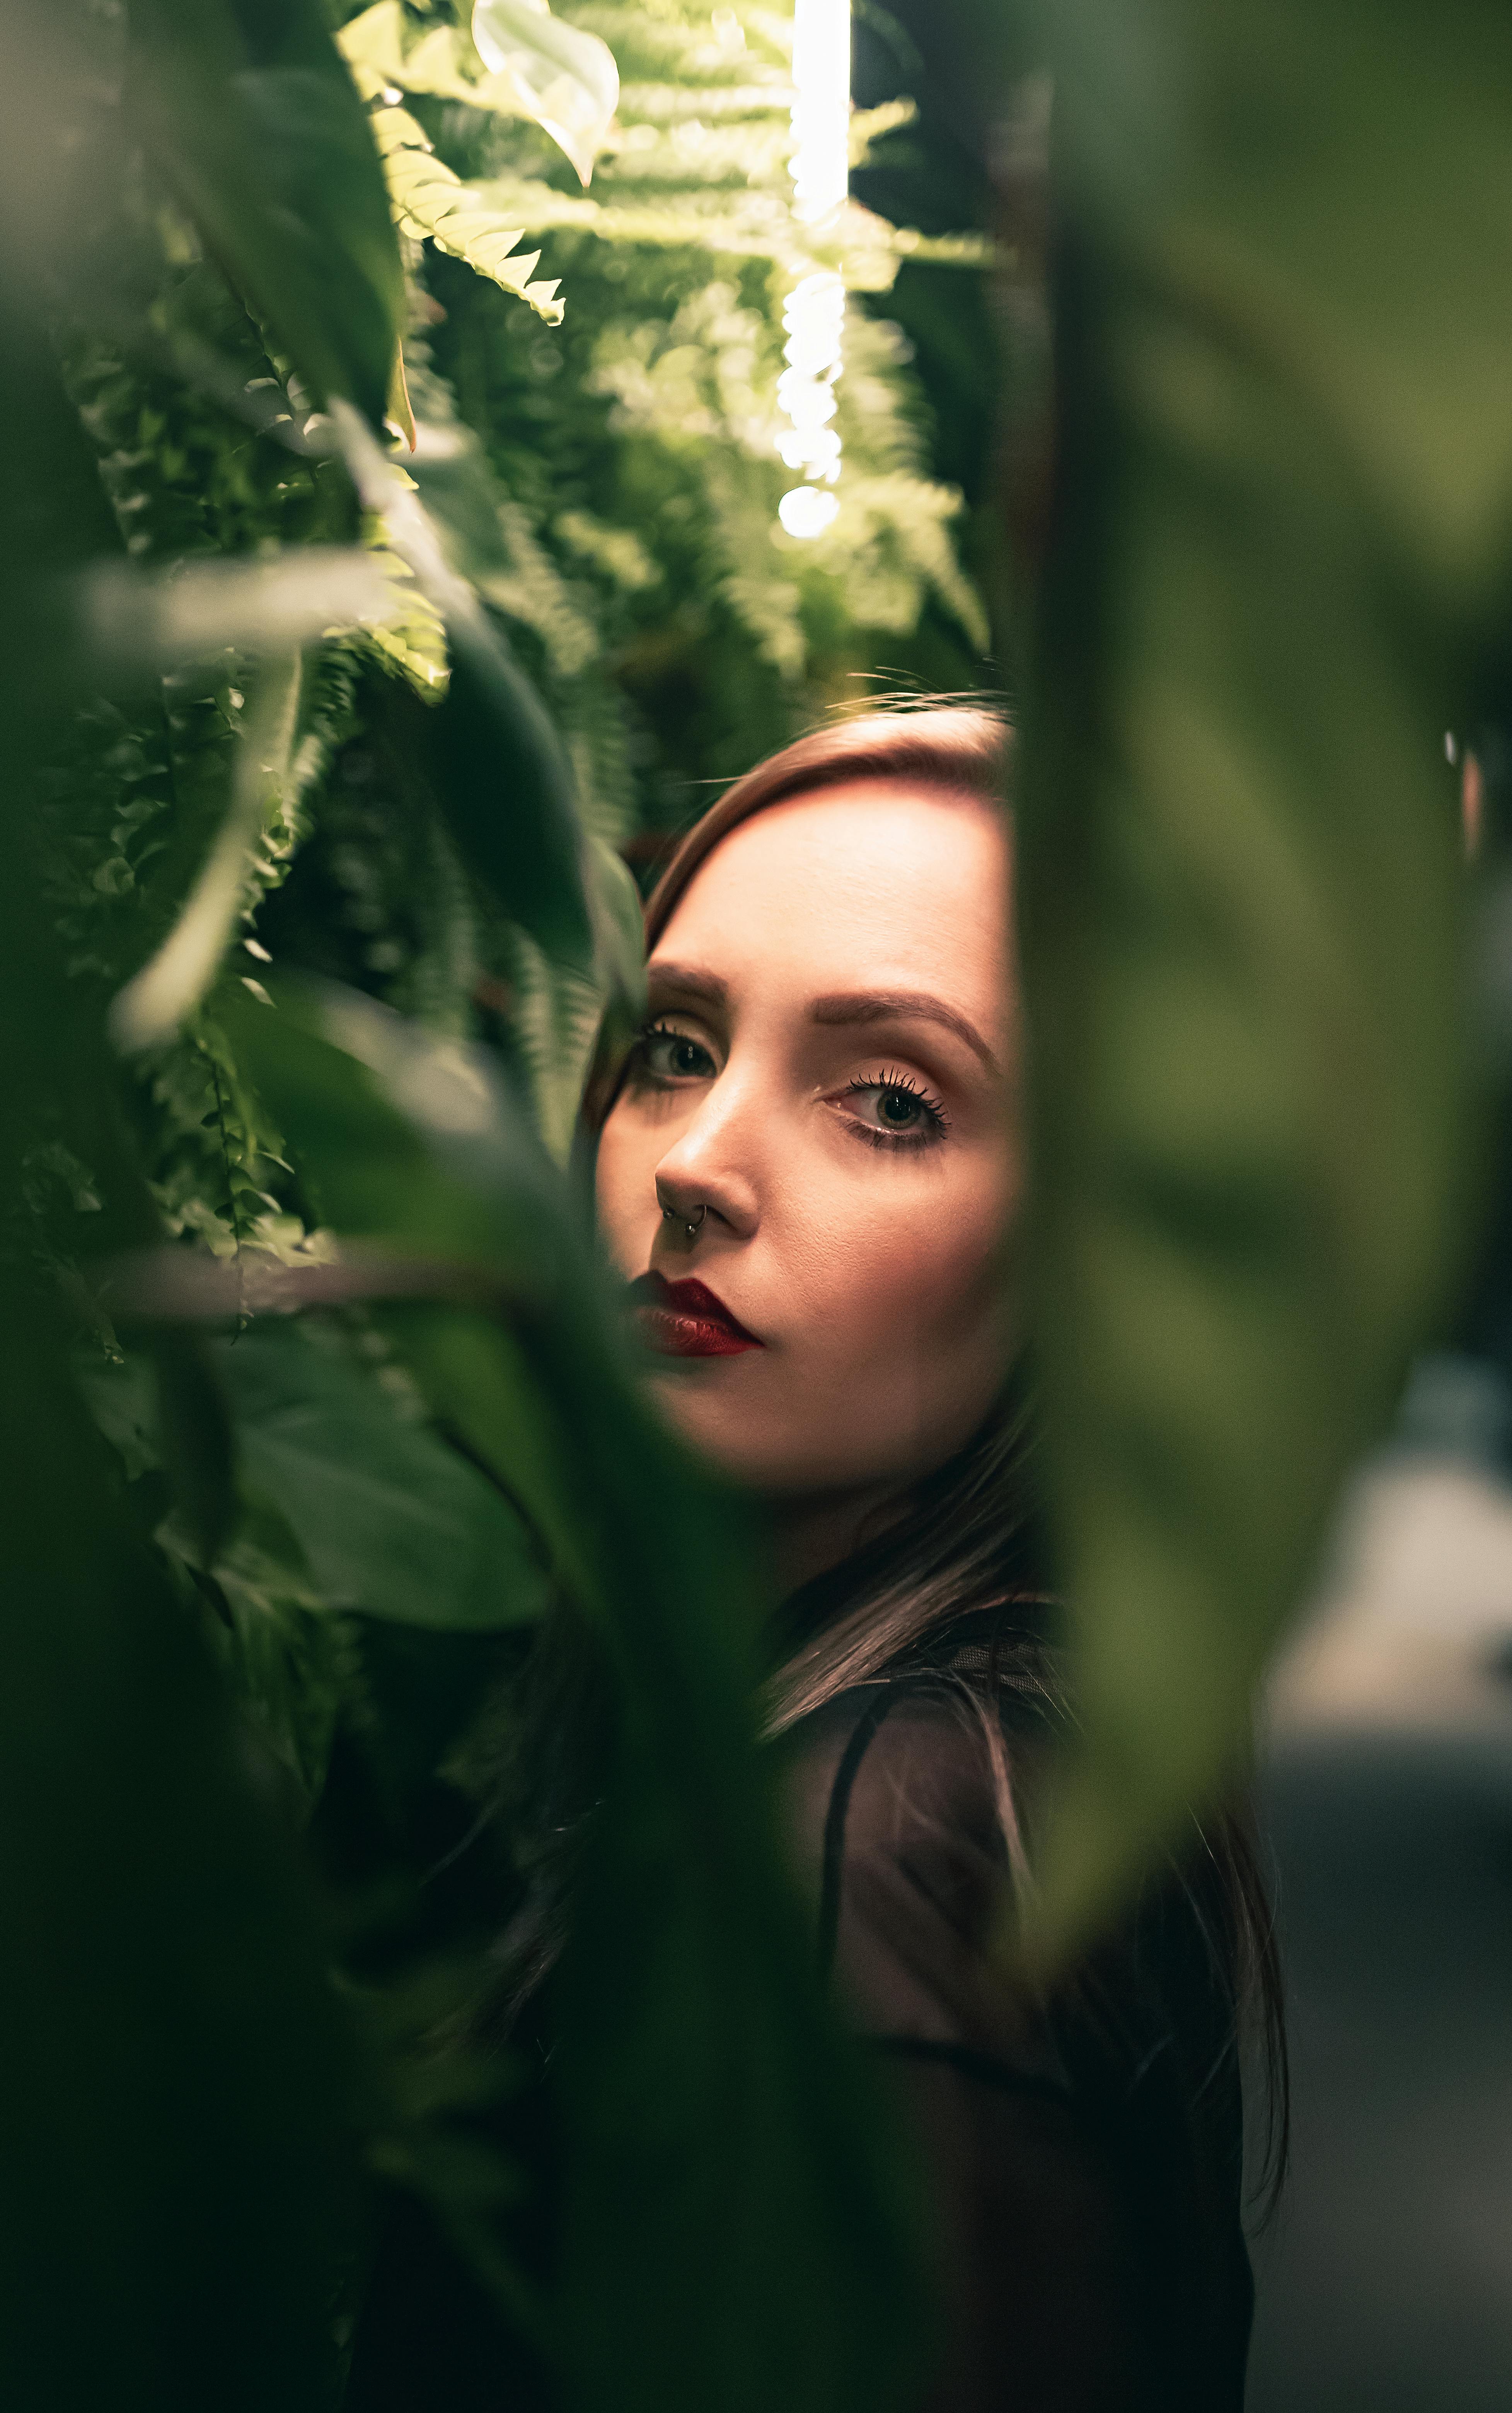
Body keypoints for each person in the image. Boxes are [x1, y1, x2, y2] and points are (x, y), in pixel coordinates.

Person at [351, 703, 1280, 2410]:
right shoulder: (979, 1755)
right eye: (674, 1048)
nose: (693, 1169)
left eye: (887, 1101)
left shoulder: (866, 1861)